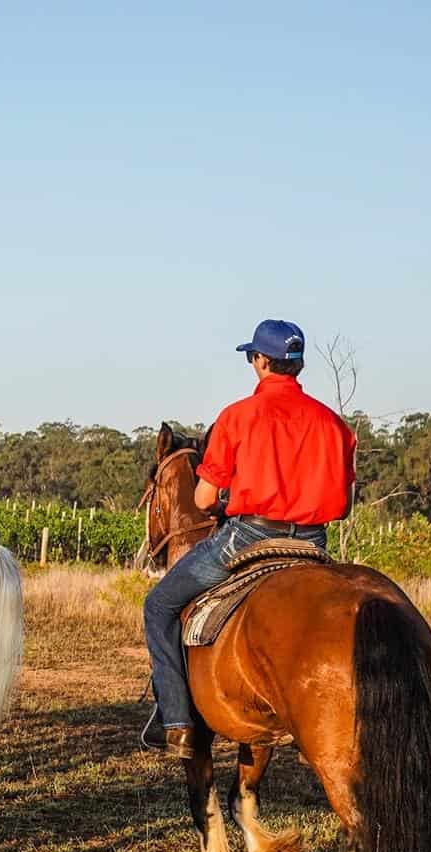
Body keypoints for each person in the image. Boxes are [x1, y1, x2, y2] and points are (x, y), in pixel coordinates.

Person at [141, 319, 356, 759]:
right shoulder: (334, 424)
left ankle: (178, 722)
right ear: (297, 364)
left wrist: (226, 503)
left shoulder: (237, 417)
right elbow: (345, 504)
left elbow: (202, 500)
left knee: (159, 605)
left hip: (250, 536)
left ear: (260, 361)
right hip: (313, 545)